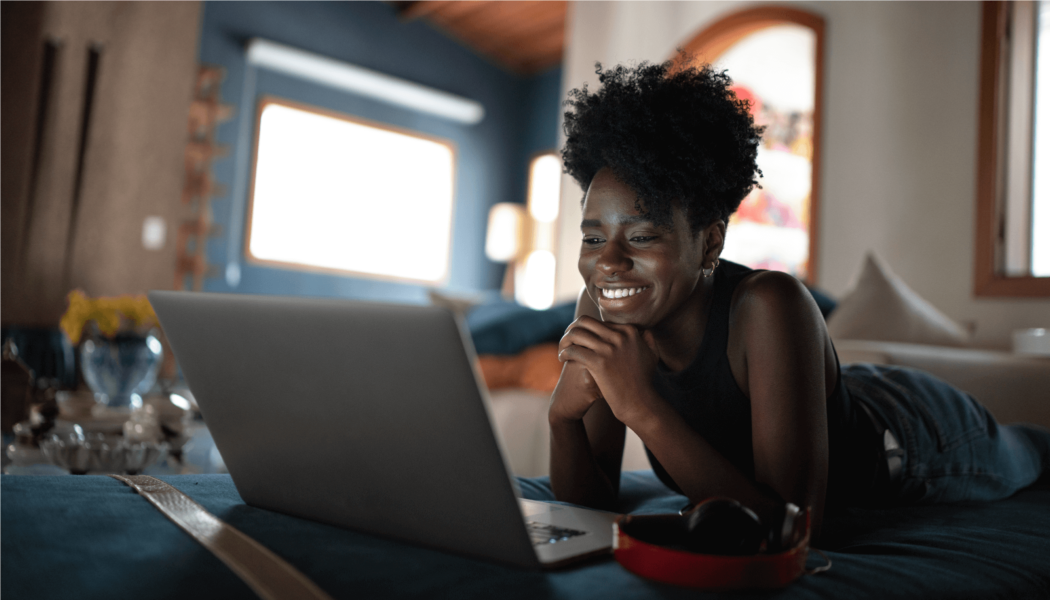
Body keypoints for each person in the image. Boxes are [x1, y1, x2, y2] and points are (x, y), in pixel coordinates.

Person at [547, 59, 1050, 539]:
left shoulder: (768, 305)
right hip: (835, 396)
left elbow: (794, 528)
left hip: (916, 435)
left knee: (1034, 450)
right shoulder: (606, 307)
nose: (608, 262)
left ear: (710, 242)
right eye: (593, 239)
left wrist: (641, 407)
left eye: (641, 237)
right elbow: (587, 506)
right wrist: (562, 418)